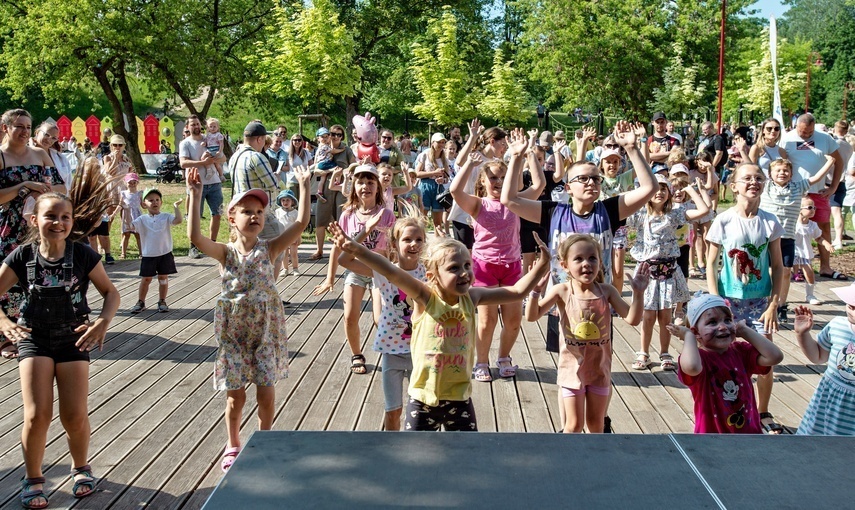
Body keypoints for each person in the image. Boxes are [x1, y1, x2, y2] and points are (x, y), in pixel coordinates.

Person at [330, 227, 550, 431]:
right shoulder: (425, 296)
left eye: (467, 266)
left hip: (460, 398)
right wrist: (355, 248)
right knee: (418, 457)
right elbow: (391, 272)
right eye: (454, 268)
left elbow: (517, 292)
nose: (464, 273)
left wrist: (542, 263)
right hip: (423, 401)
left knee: (465, 455)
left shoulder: (473, 297)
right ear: (432, 276)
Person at [0, 171, 120, 508]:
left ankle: (81, 468)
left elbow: (110, 293)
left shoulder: (82, 254)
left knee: (75, 414)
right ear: (33, 219)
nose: (58, 222)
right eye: (50, 216)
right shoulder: (22, 256)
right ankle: (33, 477)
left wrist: (102, 321)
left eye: (64, 217)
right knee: (37, 414)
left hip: (74, 339)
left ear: (72, 221)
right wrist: (4, 322)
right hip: (34, 338)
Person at [187, 163, 311, 472]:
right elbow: (195, 237)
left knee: (266, 394)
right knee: (235, 398)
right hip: (234, 339)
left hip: (264, 336)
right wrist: (195, 194)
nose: (254, 216)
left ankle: (264, 440)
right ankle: (233, 443)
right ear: (232, 218)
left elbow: (300, 223)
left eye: (259, 211)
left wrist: (305, 187)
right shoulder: (226, 253)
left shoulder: (269, 249)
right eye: (247, 211)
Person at [526, 235, 648, 432]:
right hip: (571, 371)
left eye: (592, 258)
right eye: (578, 259)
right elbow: (532, 316)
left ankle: (595, 461)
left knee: (596, 424)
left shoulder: (606, 291)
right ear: (565, 265)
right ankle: (567, 461)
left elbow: (632, 319)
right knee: (573, 425)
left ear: (600, 262)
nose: (586, 264)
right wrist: (534, 292)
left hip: (599, 370)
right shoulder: (562, 291)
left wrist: (639, 294)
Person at [451, 130, 544, 382]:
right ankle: (481, 362)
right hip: (484, 266)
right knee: (486, 321)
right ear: (483, 181)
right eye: (492, 177)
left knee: (513, 320)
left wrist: (529, 153)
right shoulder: (478, 204)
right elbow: (455, 191)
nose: (498, 181)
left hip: (512, 266)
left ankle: (504, 357)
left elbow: (539, 186)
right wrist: (470, 164)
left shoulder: (515, 201)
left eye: (503, 177)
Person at [705, 162, 786, 434]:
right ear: (734, 185)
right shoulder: (724, 220)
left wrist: (775, 304)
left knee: (764, 358)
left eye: (759, 178)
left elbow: (778, 265)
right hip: (729, 301)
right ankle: (731, 410)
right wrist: (717, 301)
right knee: (727, 358)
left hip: (760, 302)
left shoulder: (770, 221)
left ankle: (763, 411)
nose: (753, 182)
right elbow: (711, 263)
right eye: (747, 178)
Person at [313, 165, 396, 374]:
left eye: (370, 182)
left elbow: (393, 247)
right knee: (350, 315)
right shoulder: (348, 214)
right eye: (360, 182)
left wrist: (395, 273)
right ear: (353, 187)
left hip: (378, 271)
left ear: (378, 187)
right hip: (354, 270)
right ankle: (357, 353)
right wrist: (329, 278)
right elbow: (337, 247)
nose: (365, 187)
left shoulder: (386, 214)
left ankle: (391, 354)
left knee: (380, 318)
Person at [349, 215, 427, 430]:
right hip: (391, 350)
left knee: (419, 409)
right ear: (394, 243)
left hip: (420, 351)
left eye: (419, 239)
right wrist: (365, 230)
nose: (414, 244)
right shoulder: (384, 270)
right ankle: (391, 449)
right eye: (407, 239)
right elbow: (344, 261)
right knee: (393, 410)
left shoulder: (429, 272)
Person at [666, 294, 783, 434]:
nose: (722, 327)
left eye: (728, 320)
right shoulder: (699, 358)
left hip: (749, 434)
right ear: (696, 332)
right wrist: (688, 337)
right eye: (712, 322)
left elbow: (775, 356)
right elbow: (692, 367)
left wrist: (744, 331)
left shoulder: (741, 352)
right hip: (712, 438)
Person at [628, 175, 710, 371]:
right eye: (655, 188)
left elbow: (704, 210)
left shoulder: (674, 214)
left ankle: (665, 352)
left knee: (665, 316)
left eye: (664, 188)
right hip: (647, 271)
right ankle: (644, 352)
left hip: (668, 270)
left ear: (669, 193)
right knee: (648, 315)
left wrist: (691, 190)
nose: (659, 192)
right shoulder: (640, 215)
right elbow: (622, 213)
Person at [0, 109, 61, 360]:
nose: (25, 131)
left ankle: (36, 331)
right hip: (10, 228)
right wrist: (24, 186)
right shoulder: (1, 157)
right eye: (19, 126)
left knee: (39, 277)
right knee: (10, 283)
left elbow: (60, 186)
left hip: (39, 228)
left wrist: (43, 192)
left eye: (28, 126)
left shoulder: (40, 154)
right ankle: (6, 338)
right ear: (5, 128)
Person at [760, 157, 833, 323]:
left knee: (786, 272)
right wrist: (744, 150)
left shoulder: (798, 187)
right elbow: (752, 166)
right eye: (778, 170)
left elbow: (816, 178)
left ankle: (781, 305)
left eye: (785, 170)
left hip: (787, 237)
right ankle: (765, 302)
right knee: (768, 271)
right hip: (767, 238)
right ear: (770, 174)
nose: (782, 173)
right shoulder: (766, 186)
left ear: (792, 174)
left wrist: (830, 162)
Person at [782, 113, 847, 280]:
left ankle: (825, 267)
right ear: (796, 126)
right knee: (792, 230)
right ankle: (792, 268)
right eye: (802, 132)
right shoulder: (787, 138)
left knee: (824, 226)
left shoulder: (825, 138)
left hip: (818, 191)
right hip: (794, 191)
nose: (805, 135)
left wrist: (833, 187)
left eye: (809, 132)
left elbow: (838, 162)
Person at [793, 285, 855, 435]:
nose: (850, 308)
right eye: (850, 304)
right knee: (815, 446)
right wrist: (802, 334)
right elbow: (818, 356)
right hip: (828, 402)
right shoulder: (837, 325)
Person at [450, 120, 507, 249]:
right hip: (464, 214)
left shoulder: (497, 163)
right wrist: (473, 137)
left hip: (485, 214)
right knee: (465, 255)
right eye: (503, 144)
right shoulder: (475, 156)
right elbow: (459, 161)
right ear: (492, 141)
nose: (505, 148)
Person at [129, 188, 183, 314]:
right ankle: (140, 302)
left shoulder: (166, 217)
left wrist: (176, 207)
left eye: (157, 200)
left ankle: (162, 301)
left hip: (165, 254)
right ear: (144, 204)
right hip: (148, 255)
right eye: (151, 200)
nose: (155, 202)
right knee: (146, 279)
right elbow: (130, 226)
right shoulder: (142, 219)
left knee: (163, 278)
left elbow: (178, 220)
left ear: (161, 202)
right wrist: (127, 210)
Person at [179, 115, 225, 259]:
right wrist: (202, 163)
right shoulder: (185, 143)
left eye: (198, 124)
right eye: (193, 125)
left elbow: (223, 157)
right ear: (187, 127)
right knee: (195, 216)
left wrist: (217, 158)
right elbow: (183, 163)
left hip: (214, 182)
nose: (196, 127)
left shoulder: (210, 138)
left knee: (217, 213)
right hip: (196, 184)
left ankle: (212, 244)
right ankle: (193, 247)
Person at [311, 124, 356, 260]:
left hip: (342, 186)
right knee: (321, 217)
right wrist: (330, 171)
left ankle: (342, 249)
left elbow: (354, 166)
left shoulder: (346, 150)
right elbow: (315, 168)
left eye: (339, 135)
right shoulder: (322, 148)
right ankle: (319, 250)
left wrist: (343, 172)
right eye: (333, 134)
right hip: (325, 187)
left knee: (341, 217)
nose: (336, 137)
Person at [793, 197, 833, 305]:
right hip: (792, 252)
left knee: (810, 272)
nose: (813, 210)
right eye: (809, 207)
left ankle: (810, 295)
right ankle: (780, 296)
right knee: (785, 275)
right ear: (799, 209)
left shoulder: (813, 225)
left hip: (805, 253)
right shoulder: (792, 224)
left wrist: (826, 244)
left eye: (814, 207)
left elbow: (818, 237)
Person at [414, 133, 452, 234]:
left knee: (438, 222)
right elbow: (417, 173)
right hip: (425, 186)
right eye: (439, 142)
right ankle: (421, 240)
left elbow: (447, 178)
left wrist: (442, 180)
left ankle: (437, 244)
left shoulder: (445, 158)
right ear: (432, 143)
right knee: (422, 219)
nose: (441, 145)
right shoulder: (425, 155)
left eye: (443, 142)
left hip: (439, 188)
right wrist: (434, 173)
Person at [831, 120, 854, 249]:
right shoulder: (849, 146)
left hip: (829, 180)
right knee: (837, 212)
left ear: (835, 128)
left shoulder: (833, 144)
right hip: (841, 180)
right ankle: (838, 239)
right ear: (846, 131)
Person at [274, 189, 301, 276]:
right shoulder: (278, 212)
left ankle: (295, 268)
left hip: (293, 235)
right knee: (284, 253)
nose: (285, 202)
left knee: (293, 253)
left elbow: (298, 225)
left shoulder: (295, 212)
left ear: (292, 201)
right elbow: (275, 224)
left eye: (287, 200)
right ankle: (285, 269)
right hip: (282, 235)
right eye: (283, 200)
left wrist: (298, 236)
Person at [118, 173, 143, 259]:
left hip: (137, 215)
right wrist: (114, 213)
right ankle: (123, 253)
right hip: (127, 216)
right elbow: (120, 204)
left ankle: (141, 252)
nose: (132, 184)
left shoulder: (139, 193)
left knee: (138, 234)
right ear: (126, 183)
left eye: (134, 182)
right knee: (126, 234)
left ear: (137, 183)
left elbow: (143, 205)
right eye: (130, 182)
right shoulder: (124, 193)